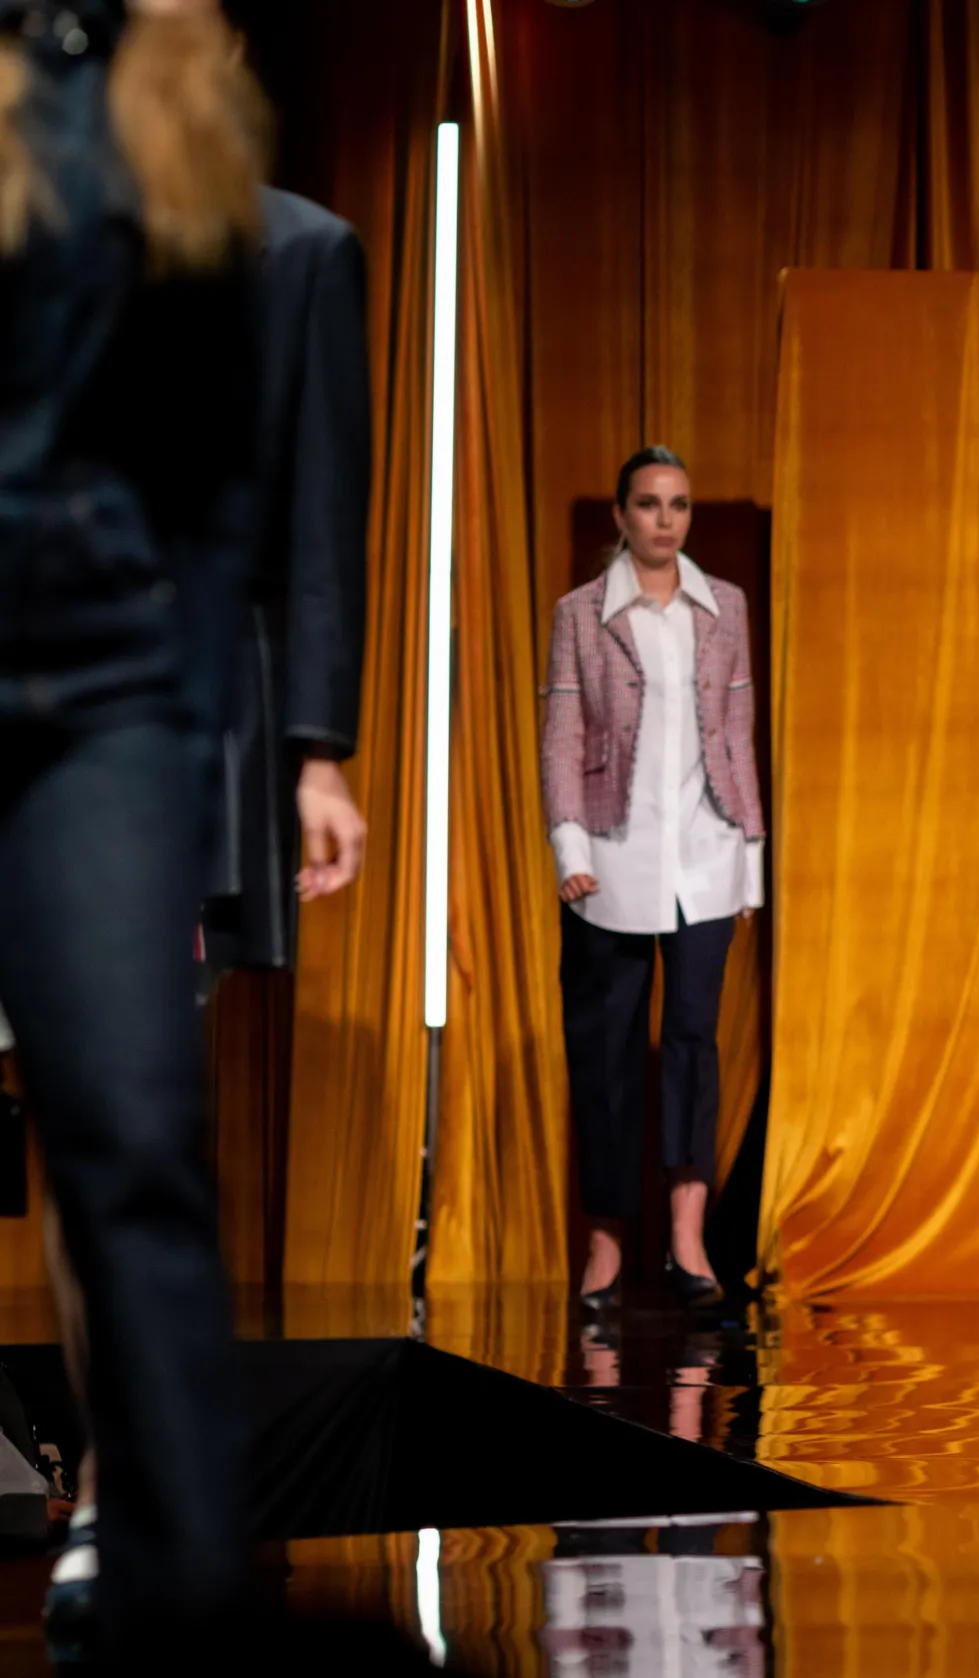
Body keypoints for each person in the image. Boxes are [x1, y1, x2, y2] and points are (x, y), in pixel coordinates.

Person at [0, 0, 270, 1661]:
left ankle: (187, 1593)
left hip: (98, 696)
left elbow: (221, 474)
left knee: (134, 1136)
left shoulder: (171, 104)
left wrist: (176, 719)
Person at [542, 446, 765, 1313]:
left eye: (678, 504)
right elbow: (563, 736)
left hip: (707, 856)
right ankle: (605, 1244)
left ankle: (686, 1238)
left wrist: (751, 855)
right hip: (612, 856)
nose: (665, 520)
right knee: (607, 1052)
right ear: (621, 515)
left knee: (693, 1044)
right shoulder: (580, 614)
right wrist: (571, 848)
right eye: (648, 504)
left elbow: (736, 733)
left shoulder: (724, 606)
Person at [200, 183, 373, 976]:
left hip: (204, 687)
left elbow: (324, 516)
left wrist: (320, 752)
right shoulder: (41, 220)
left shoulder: (305, 250)